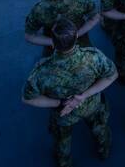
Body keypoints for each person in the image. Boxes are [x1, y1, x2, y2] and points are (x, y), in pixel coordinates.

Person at [21, 19, 117, 167]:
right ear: (76, 37)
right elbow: (112, 75)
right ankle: (104, 150)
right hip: (91, 104)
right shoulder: (93, 57)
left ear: (52, 43)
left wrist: (59, 103)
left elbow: (28, 98)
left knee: (62, 140)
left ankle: (64, 162)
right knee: (99, 128)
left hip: (63, 113)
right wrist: (83, 96)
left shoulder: (42, 71)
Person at [25, 0, 99, 53]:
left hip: (54, 38)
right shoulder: (81, 0)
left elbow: (29, 36)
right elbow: (95, 17)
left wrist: (54, 42)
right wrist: (77, 34)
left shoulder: (39, 9)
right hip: (78, 36)